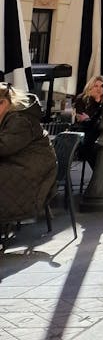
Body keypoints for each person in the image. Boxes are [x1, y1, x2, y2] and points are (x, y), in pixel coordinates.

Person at [0, 82, 57, 229]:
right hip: (22, 162)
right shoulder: (10, 116)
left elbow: (4, 147)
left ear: (4, 103)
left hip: (33, 169)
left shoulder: (19, 120)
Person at [74, 75, 103, 169]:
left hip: (101, 134)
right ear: (90, 87)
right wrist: (95, 101)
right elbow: (82, 118)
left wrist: (89, 118)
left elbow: (90, 118)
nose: (99, 89)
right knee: (90, 148)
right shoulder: (82, 99)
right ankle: (98, 173)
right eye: (96, 86)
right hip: (86, 133)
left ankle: (99, 173)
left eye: (102, 86)